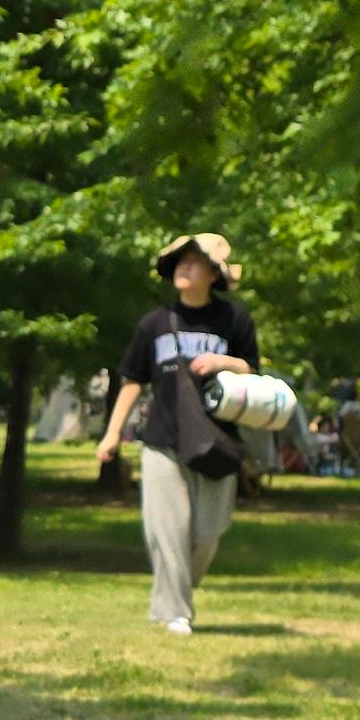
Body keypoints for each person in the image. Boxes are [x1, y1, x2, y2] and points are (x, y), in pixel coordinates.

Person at [97, 231, 260, 634]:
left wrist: (223, 362)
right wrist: (112, 433)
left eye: (193, 263)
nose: (183, 269)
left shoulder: (235, 319)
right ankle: (177, 613)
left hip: (218, 442)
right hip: (163, 440)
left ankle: (174, 594)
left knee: (208, 534)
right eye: (179, 263)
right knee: (168, 532)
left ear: (213, 274)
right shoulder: (154, 323)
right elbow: (133, 380)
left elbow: (251, 370)